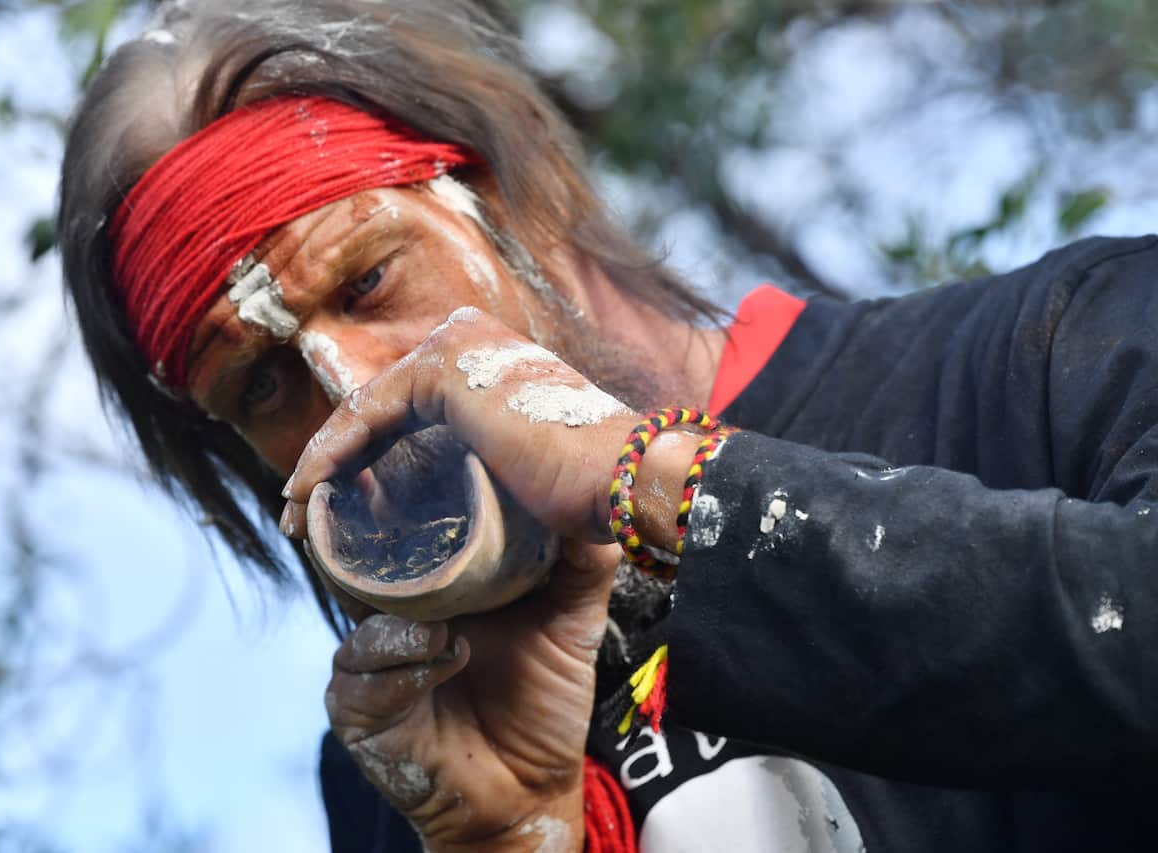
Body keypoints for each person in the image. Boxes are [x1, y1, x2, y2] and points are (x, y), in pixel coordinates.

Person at [57, 1, 1158, 850]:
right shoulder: (402, 774)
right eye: (259, 388)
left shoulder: (1055, 348)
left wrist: (661, 492)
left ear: (516, 199)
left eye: (369, 279)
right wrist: (511, 837)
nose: (350, 394)